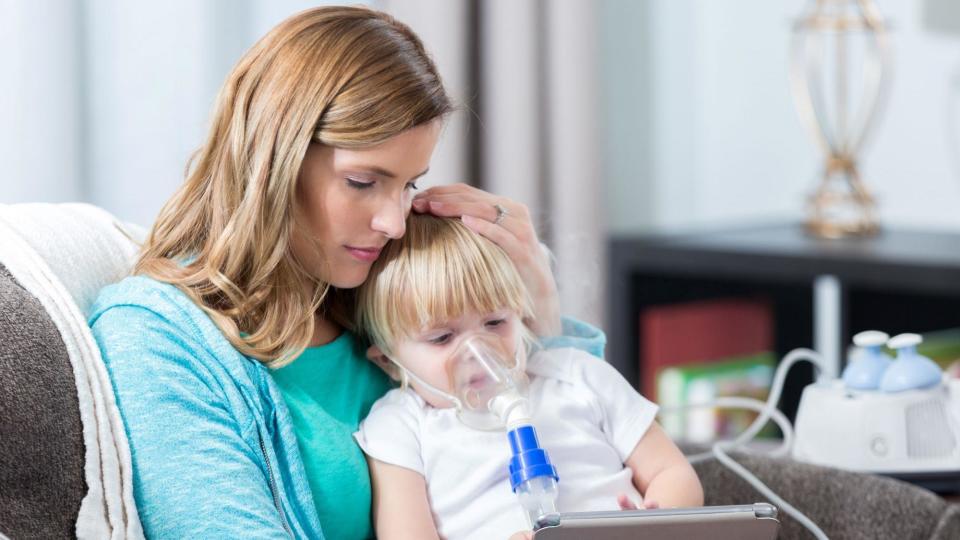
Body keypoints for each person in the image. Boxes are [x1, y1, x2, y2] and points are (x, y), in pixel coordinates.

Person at [89, 6, 605, 539]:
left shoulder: (379, 300)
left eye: (408, 185)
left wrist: (538, 296)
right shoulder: (158, 338)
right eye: (363, 182)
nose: (394, 223)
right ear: (274, 162)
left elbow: (584, 464)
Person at [353, 214, 704, 540]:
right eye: (442, 338)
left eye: (495, 323)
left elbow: (671, 473)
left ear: (520, 315)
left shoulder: (575, 375)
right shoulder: (400, 426)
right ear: (389, 361)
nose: (479, 351)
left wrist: (654, 522)